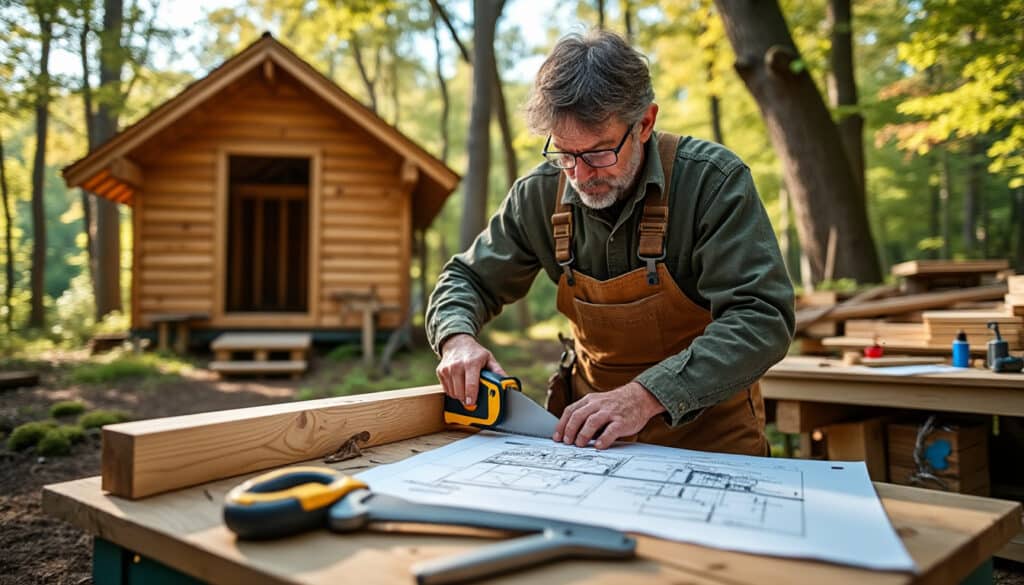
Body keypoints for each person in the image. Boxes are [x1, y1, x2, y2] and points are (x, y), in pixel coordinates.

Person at [426, 30, 794, 454]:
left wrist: (643, 396)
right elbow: (466, 279)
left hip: (711, 439)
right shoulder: (538, 195)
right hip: (591, 443)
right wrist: (456, 339)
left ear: (645, 123)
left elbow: (762, 317)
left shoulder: (712, 182)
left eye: (599, 153)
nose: (581, 176)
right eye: (565, 154)